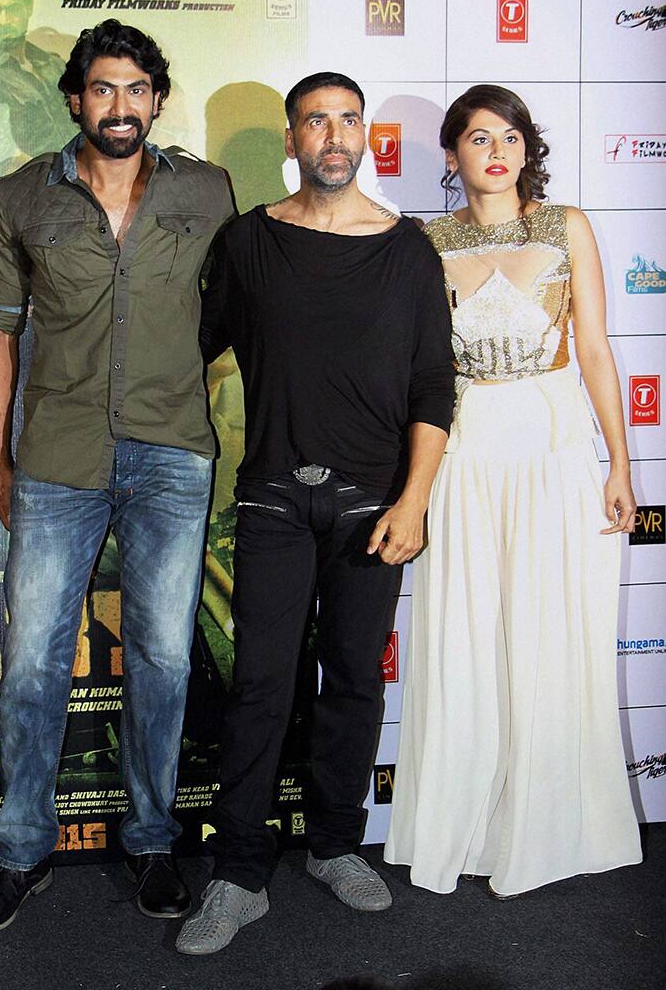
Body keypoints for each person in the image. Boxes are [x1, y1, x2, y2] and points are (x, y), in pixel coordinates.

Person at [0, 19, 233, 936]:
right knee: (33, 658)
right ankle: (20, 853)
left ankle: (151, 841)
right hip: (57, 458)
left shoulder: (208, 188)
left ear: (157, 99)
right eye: (102, 89)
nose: (121, 106)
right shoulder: (23, 196)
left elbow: (240, 313)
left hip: (171, 452)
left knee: (160, 656)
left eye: (137, 89)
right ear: (75, 99)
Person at [175, 72, 455, 955]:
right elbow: (186, 347)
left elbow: (431, 385)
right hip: (270, 499)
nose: (332, 136)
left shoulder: (407, 250)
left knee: (355, 683)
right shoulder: (249, 241)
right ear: (291, 139)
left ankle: (336, 845)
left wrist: (414, 500)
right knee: (260, 687)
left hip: (376, 507)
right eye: (313, 122)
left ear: (362, 134)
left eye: (346, 120)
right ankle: (238, 874)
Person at [384, 85, 642, 897]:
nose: (494, 151)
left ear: (526, 149)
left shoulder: (568, 228)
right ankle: (467, 827)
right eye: (475, 138)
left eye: (508, 136)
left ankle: (546, 827)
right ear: (452, 157)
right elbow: (418, 368)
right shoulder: (425, 242)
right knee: (465, 633)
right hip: (464, 452)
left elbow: (595, 350)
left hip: (552, 441)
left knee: (546, 629)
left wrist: (620, 464)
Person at [0, 0, 72, 177]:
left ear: (29, 8)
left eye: (13, 9)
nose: (3, 21)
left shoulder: (53, 64)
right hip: (29, 190)